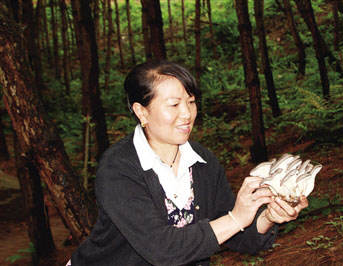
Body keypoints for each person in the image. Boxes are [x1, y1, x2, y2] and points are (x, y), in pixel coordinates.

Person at [68, 60, 308, 266]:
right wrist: (236, 218)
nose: (187, 114)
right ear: (141, 112)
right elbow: (163, 249)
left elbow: (233, 233)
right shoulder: (119, 168)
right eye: (174, 105)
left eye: (191, 102)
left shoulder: (202, 163)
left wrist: (267, 217)